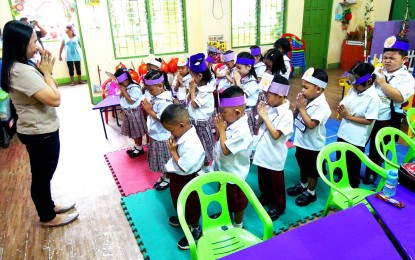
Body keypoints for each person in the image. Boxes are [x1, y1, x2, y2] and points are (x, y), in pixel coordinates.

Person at [1, 20, 78, 227]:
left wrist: (45, 73)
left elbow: (50, 91)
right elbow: (55, 99)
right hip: (39, 132)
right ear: (20, 44)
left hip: (41, 129)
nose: (37, 46)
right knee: (42, 175)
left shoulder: (22, 65)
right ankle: (47, 217)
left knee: (44, 173)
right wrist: (46, 73)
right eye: (33, 42)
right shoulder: (20, 71)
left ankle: (49, 205)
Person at [364, 36, 415, 184]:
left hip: (387, 117)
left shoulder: (407, 78)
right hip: (368, 114)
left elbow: (399, 97)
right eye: (385, 57)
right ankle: (350, 166)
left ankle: (372, 171)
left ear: (404, 60)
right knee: (361, 140)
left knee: (379, 146)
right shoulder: (378, 69)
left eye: (392, 58)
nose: (387, 61)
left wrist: (381, 82)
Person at [160, 104, 204, 250]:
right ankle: (182, 217)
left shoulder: (192, 143)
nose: (170, 134)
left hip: (187, 178)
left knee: (190, 205)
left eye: (171, 130)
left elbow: (185, 167)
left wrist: (173, 152)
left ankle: (195, 229)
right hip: (177, 176)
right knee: (178, 200)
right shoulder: (182, 133)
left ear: (181, 125)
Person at [287, 68, 331, 206]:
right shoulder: (307, 100)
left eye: (306, 87)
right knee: (302, 166)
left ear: (318, 89)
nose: (303, 90)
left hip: (313, 146)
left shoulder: (323, 106)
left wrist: (301, 108)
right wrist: (297, 107)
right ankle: (303, 184)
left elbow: (311, 124)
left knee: (312, 171)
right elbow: (295, 116)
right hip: (301, 142)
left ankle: (311, 192)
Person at [211, 86, 254, 228]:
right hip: (224, 171)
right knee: (224, 197)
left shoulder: (242, 130)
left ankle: (238, 224)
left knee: (237, 202)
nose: (221, 115)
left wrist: (221, 130)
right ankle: (226, 215)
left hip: (234, 176)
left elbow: (225, 150)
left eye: (224, 112)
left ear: (237, 112)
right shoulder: (232, 121)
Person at [253, 75, 293, 220]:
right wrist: (260, 116)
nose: (265, 98)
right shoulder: (269, 107)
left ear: (280, 95)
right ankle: (266, 196)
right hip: (263, 150)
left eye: (268, 95)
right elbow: (259, 126)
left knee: (276, 183)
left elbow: (276, 134)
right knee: (263, 179)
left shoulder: (287, 114)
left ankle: (278, 206)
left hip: (274, 154)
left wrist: (265, 117)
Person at [337, 62, 380, 188]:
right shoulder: (353, 90)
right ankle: (341, 176)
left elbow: (369, 120)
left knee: (352, 165)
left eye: (356, 84)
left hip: (356, 138)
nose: (353, 86)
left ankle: (352, 186)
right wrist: (342, 109)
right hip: (344, 132)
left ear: (368, 81)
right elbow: (344, 104)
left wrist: (348, 116)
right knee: (341, 158)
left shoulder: (373, 98)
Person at [141, 70, 174, 191]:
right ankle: (164, 176)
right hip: (156, 135)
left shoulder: (165, 100)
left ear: (160, 85)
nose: (150, 93)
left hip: (163, 136)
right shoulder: (158, 96)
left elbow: (164, 119)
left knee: (165, 158)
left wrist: (149, 111)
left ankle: (168, 178)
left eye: (151, 90)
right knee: (159, 158)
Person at [187, 53, 215, 173]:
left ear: (199, 75)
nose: (190, 78)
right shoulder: (199, 86)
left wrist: (192, 90)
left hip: (202, 123)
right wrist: (191, 90)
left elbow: (194, 104)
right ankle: (201, 165)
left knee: (204, 144)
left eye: (192, 75)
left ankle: (206, 167)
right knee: (198, 145)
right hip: (195, 121)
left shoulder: (206, 90)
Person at [114, 68, 147, 158]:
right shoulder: (125, 87)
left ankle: (140, 148)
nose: (119, 84)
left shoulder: (135, 88)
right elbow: (121, 97)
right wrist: (122, 90)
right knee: (133, 132)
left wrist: (124, 91)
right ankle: (136, 146)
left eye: (120, 82)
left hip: (134, 114)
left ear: (126, 79)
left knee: (137, 132)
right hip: (128, 114)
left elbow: (131, 101)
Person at [233, 52, 259, 135]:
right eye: (236, 68)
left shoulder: (253, 82)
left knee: (247, 134)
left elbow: (241, 96)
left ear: (249, 67)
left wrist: (237, 81)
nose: (236, 70)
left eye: (239, 68)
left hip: (247, 112)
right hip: (239, 110)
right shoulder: (242, 78)